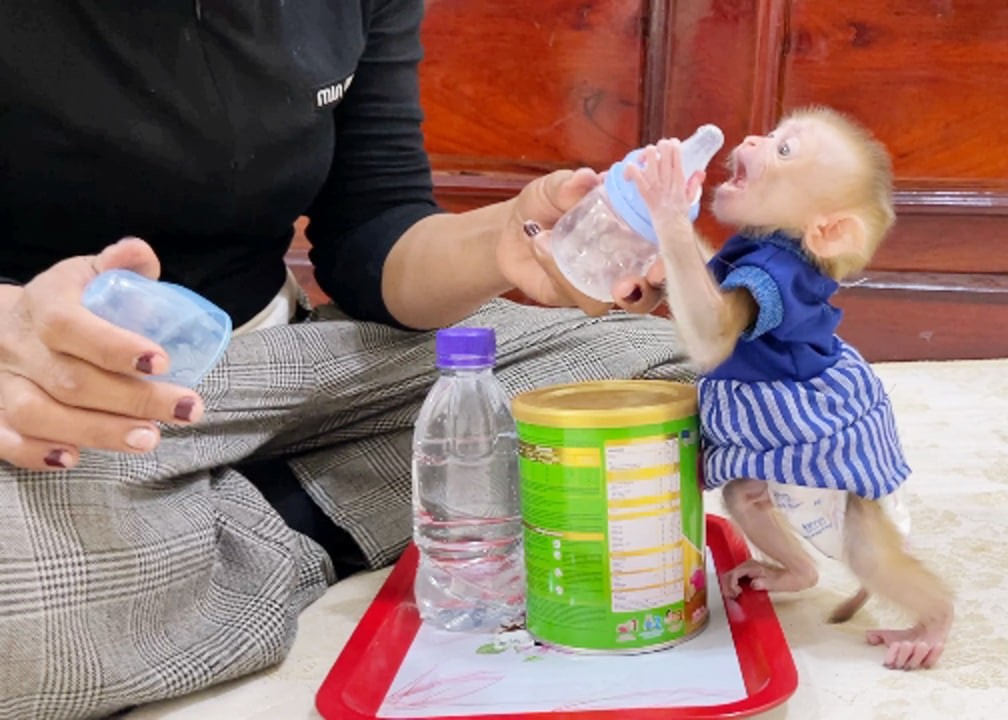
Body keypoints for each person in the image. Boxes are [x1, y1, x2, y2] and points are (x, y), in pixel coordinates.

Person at [0, 2, 688, 718]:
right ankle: (297, 518)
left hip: (284, 366)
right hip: (61, 397)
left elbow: (373, 229)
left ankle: (200, 524)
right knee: (17, 621)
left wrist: (504, 239)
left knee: (656, 365)